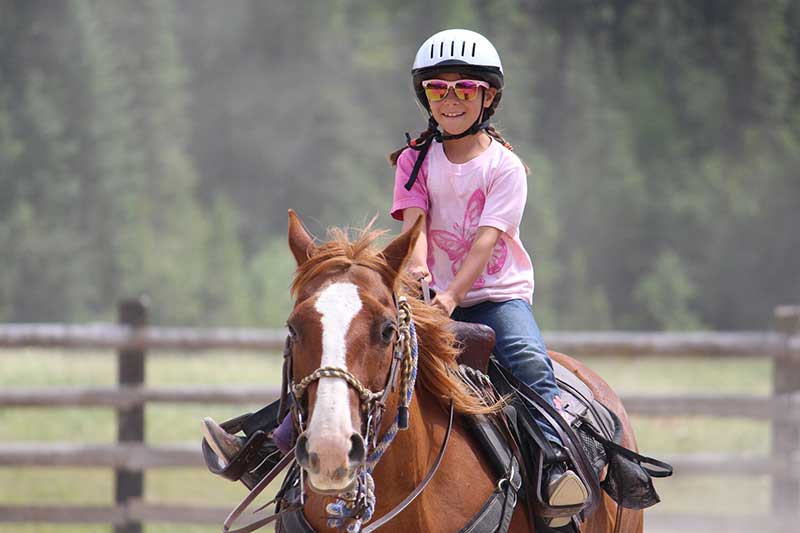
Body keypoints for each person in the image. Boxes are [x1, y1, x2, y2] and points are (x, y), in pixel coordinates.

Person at [389, 28, 587, 527]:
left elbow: (486, 240)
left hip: (495, 296)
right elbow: (414, 227)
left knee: (528, 364)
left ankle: (555, 468)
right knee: (355, 347)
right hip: (429, 295)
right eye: (438, 89)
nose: (450, 100)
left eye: (465, 89)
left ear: (489, 96)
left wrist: (453, 296)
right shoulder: (414, 160)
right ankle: (276, 443)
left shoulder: (506, 168)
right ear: (424, 96)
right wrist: (416, 271)